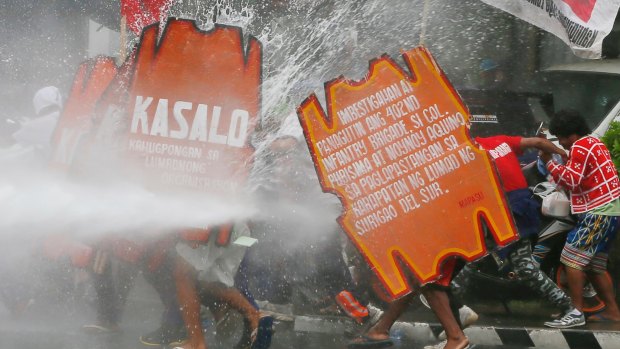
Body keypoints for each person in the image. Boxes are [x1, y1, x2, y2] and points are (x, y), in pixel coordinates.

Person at [471, 133, 583, 329]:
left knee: (512, 264)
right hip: (521, 205)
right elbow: (539, 142)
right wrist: (561, 153)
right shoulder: (499, 140)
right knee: (491, 259)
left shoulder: (469, 153)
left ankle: (452, 310)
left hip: (507, 209)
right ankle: (453, 308)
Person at [540, 109, 620, 326]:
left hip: (598, 212)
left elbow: (571, 181)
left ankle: (575, 312)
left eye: (562, 138)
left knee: (570, 259)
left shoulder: (580, 147)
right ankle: (613, 312)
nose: (562, 143)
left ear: (571, 134)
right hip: (610, 212)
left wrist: (549, 162)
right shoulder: (593, 142)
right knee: (595, 267)